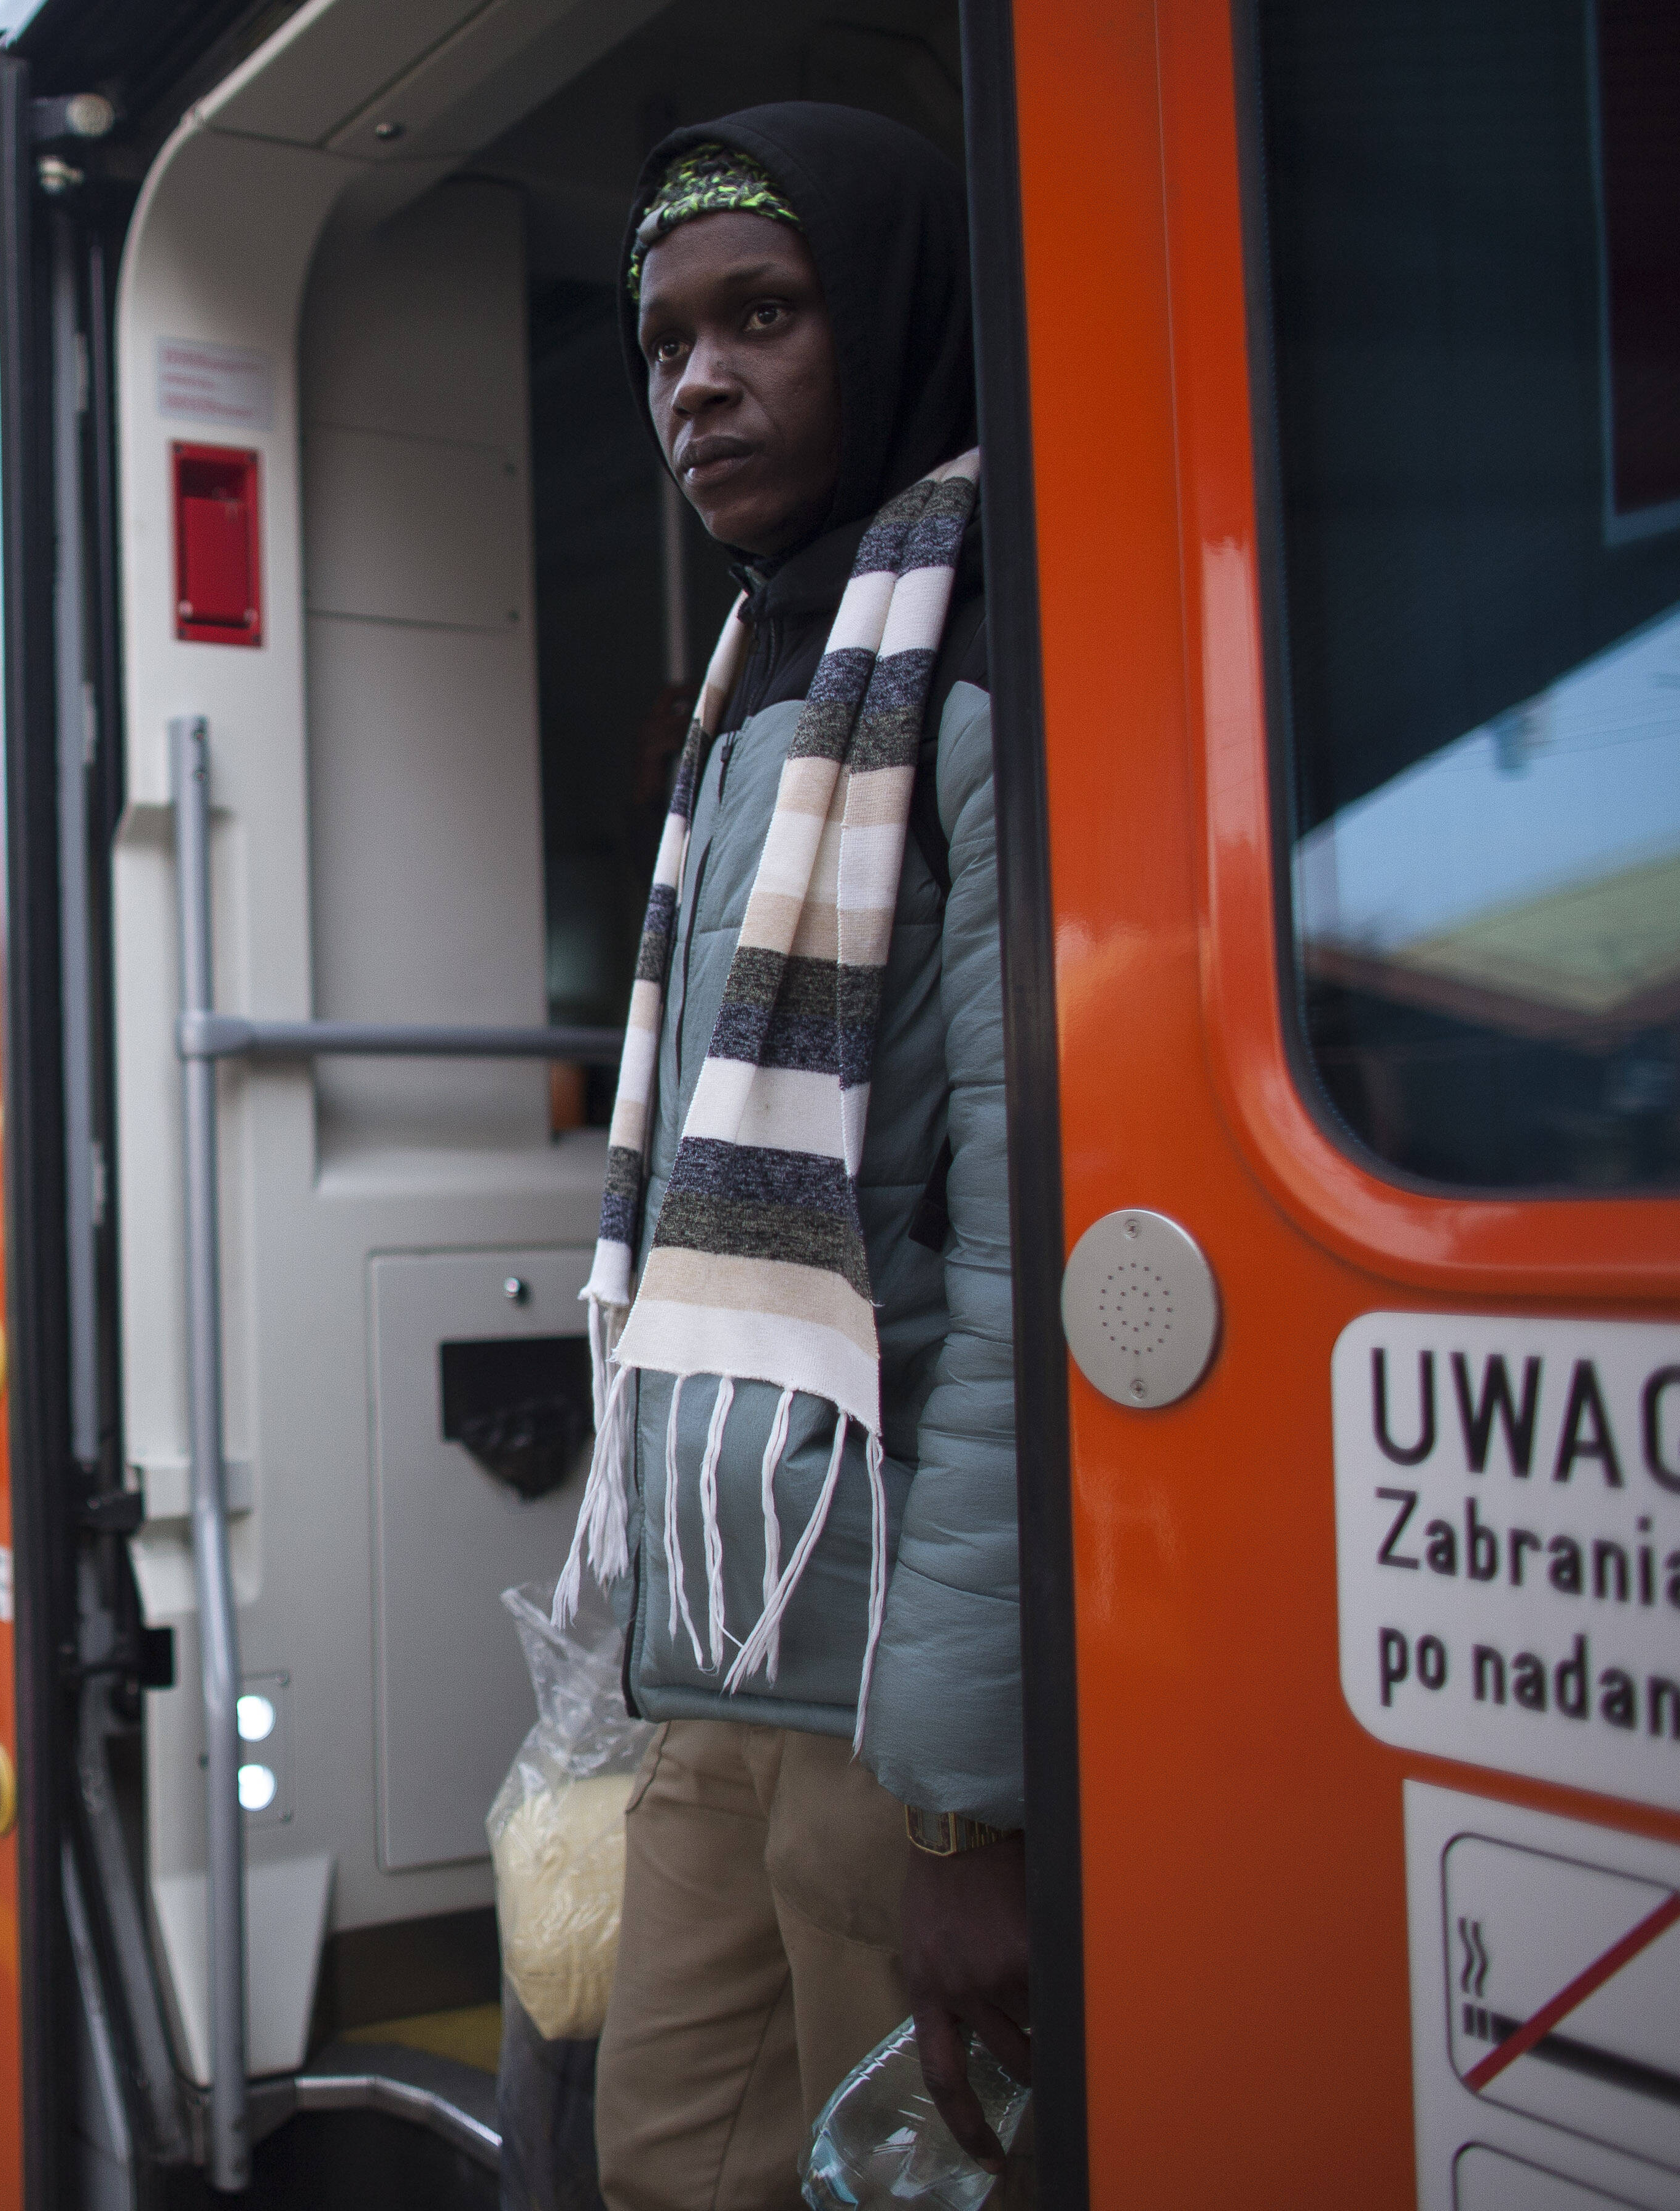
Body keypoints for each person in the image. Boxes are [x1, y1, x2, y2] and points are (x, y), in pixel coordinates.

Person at [565, 107, 1026, 2207]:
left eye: (764, 315)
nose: (701, 382)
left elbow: (1005, 1261)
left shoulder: (980, 664)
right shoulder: (760, 679)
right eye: (666, 341)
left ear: (894, 316)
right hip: (723, 1652)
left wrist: (965, 1800)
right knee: (665, 2155)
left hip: (891, 1709)